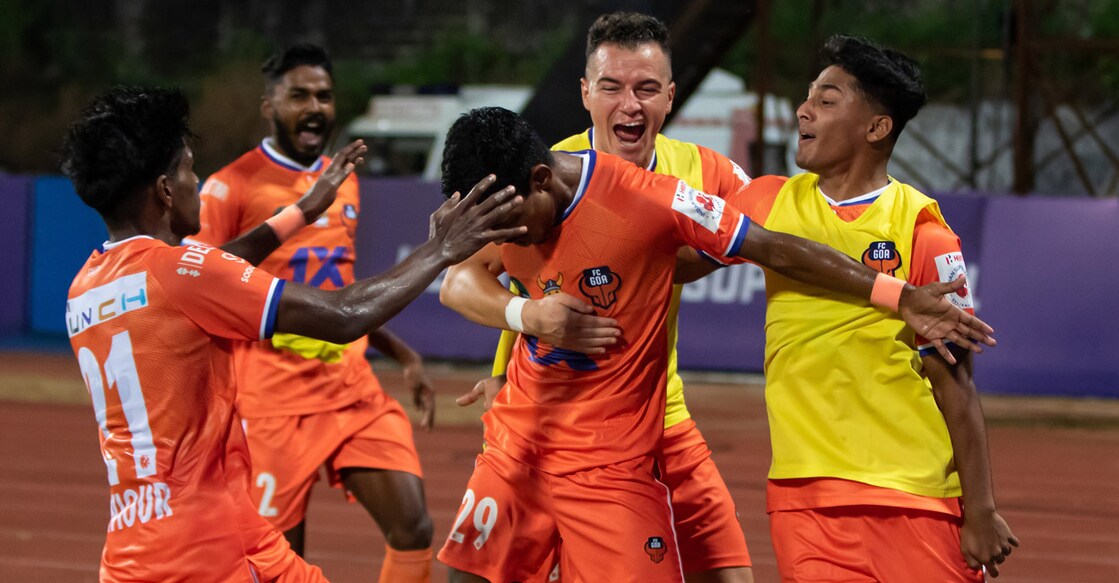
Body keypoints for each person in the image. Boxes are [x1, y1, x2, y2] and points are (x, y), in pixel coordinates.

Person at [433, 106, 994, 583]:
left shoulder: (651, 200)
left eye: (508, 226)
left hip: (612, 467)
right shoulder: (499, 215)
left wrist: (899, 295)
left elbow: (775, 249)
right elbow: (457, 281)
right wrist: (529, 314)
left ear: (538, 180)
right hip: (516, 449)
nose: (503, 242)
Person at [60, 86, 522, 582]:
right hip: (208, 547)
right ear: (165, 190)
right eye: (189, 168)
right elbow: (344, 315)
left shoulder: (86, 287)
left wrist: (301, 210)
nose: (197, 180)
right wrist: (440, 249)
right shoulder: (181, 273)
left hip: (136, 546)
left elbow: (215, 270)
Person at [443, 12, 755, 583]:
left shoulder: (705, 171)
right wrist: (506, 365)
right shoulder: (548, 172)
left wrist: (686, 259)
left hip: (666, 417)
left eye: (646, 89)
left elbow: (765, 224)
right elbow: (502, 276)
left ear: (670, 96)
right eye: (611, 88)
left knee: (732, 575)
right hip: (563, 424)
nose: (629, 106)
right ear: (586, 93)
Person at [719, 35, 1019, 581]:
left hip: (917, 497)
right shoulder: (765, 202)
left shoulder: (924, 230)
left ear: (876, 128)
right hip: (805, 498)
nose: (803, 110)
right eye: (808, 97)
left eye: (827, 100)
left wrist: (980, 510)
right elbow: (670, 257)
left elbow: (957, 383)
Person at [191, 44, 439, 582]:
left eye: (324, 96)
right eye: (298, 95)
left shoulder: (343, 178)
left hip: (351, 389)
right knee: (283, 566)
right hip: (272, 403)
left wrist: (400, 351)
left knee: (415, 528)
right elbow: (198, 283)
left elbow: (338, 293)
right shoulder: (229, 186)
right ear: (268, 105)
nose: (314, 107)